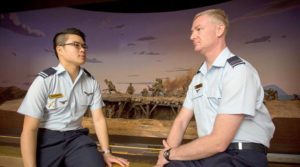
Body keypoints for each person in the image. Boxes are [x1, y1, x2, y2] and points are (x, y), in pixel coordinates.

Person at [155, 9, 275, 167]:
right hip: (208, 154)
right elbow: (181, 121)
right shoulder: (199, 77)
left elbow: (219, 142)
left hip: (240, 156)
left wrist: (170, 154)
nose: (192, 36)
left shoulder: (238, 71)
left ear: (219, 30)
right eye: (192, 31)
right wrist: (162, 161)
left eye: (198, 29)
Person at [17, 28, 129, 167]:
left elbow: (98, 119)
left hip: (76, 138)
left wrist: (107, 152)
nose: (82, 49)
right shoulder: (45, 80)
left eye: (84, 46)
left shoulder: (91, 81)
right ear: (60, 50)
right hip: (47, 138)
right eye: (76, 45)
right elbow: (29, 130)